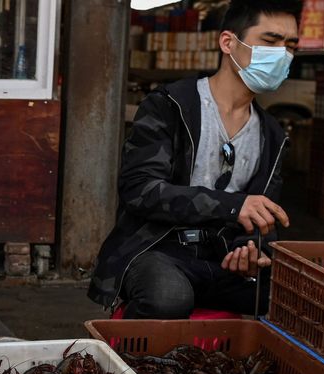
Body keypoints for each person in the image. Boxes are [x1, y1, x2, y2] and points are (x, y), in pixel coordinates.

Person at [88, 0, 299, 319]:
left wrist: (251, 248)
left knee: (294, 301)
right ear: (228, 42)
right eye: (270, 41)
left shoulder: (272, 135)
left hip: (221, 258)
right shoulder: (170, 106)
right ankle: (128, 363)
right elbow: (139, 190)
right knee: (169, 297)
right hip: (156, 250)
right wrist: (231, 205)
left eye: (290, 45)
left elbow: (263, 215)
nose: (282, 54)